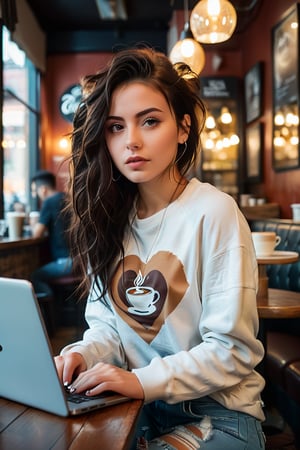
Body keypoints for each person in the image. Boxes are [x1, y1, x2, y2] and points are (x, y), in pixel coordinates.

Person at [54, 48, 265, 449]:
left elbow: (231, 350)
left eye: (149, 121)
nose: (131, 141)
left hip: (217, 414)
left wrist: (139, 380)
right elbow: (108, 329)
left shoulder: (213, 212)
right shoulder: (110, 219)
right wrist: (82, 353)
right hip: (137, 406)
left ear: (183, 128)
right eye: (115, 127)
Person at [30, 170, 72, 296]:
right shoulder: (67, 198)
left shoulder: (49, 202)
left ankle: (49, 309)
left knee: (34, 276)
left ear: (42, 189)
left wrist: (33, 222)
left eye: (35, 191)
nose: (36, 195)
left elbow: (36, 234)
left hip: (65, 263)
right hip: (83, 262)